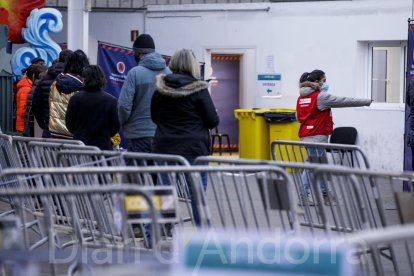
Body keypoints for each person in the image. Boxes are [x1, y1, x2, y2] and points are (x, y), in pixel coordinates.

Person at [151, 48, 219, 225]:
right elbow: (212, 121)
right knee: (197, 196)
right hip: (194, 150)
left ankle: (154, 235)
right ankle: (203, 238)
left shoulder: (160, 88)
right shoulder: (200, 89)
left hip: (165, 148)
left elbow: (154, 116)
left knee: (164, 193)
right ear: (192, 65)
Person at [296, 69, 372, 205]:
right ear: (317, 81)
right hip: (317, 137)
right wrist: (366, 101)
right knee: (312, 166)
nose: (325, 83)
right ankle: (305, 195)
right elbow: (343, 101)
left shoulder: (301, 98)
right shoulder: (320, 97)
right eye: (324, 81)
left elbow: (298, 117)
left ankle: (326, 196)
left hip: (306, 136)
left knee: (318, 165)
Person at [118, 34, 171, 153]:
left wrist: (121, 123)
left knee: (138, 172)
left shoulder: (134, 73)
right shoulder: (169, 73)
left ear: (138, 53)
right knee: (159, 172)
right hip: (163, 136)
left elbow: (123, 106)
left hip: (138, 137)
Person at [66, 65, 120, 150]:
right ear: (102, 78)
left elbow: (69, 124)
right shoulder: (111, 100)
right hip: (102, 147)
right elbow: (115, 127)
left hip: (80, 147)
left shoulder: (75, 99)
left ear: (84, 79)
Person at [48, 50, 89, 139]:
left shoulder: (55, 82)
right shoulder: (82, 86)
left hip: (54, 131)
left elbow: (49, 105)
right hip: (74, 133)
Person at [32, 49, 73, 138]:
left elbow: (36, 104)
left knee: (48, 152)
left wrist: (43, 123)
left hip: (49, 128)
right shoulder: (75, 79)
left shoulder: (44, 78)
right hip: (70, 131)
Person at [15, 64, 47, 133]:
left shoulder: (28, 87)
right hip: (24, 127)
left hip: (25, 126)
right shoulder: (26, 89)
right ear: (34, 76)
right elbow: (22, 111)